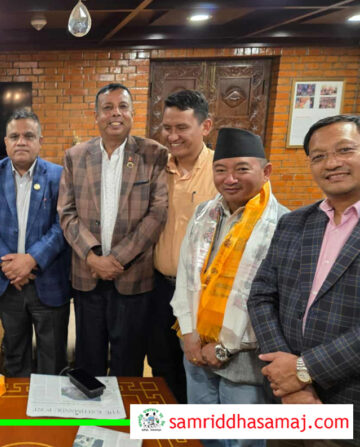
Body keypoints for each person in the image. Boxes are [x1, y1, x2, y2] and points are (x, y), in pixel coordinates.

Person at [170, 127, 288, 447]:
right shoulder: (204, 213)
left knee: (241, 441)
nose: (229, 179)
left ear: (266, 172)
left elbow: (274, 302)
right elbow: (186, 276)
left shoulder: (282, 224)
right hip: (196, 349)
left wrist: (225, 347)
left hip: (247, 360)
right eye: (220, 170)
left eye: (241, 169)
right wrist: (189, 334)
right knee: (205, 435)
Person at [249, 115, 360, 442]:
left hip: (349, 401)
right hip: (285, 398)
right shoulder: (295, 223)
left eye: (345, 150)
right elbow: (261, 295)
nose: (332, 163)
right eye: (319, 156)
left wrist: (304, 369)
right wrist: (286, 376)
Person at [57, 83, 169, 376]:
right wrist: (93, 257)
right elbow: (66, 212)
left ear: (133, 113)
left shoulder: (154, 154)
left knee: (128, 363)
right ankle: (91, 408)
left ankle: (123, 409)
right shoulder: (75, 156)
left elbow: (157, 213)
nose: (115, 113)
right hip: (88, 276)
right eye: (107, 108)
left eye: (123, 107)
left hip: (132, 278)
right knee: (88, 362)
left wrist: (116, 259)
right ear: (96, 116)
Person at [0, 109, 71, 376]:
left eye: (29, 136)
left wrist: (31, 260)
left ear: (40, 141)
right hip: (8, 283)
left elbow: (63, 224)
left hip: (48, 280)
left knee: (53, 357)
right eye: (14, 136)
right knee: (15, 354)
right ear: (6, 142)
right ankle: (20, 403)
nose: (21, 142)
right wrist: (9, 266)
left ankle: (49, 405)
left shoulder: (59, 175)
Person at [150, 90, 218, 403]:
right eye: (167, 128)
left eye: (182, 128)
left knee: (200, 370)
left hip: (203, 294)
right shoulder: (156, 169)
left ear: (206, 126)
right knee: (161, 363)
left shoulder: (222, 171)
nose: (172, 136)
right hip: (160, 287)